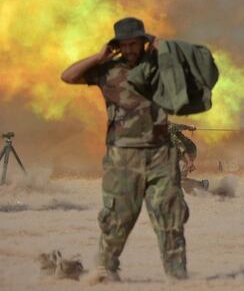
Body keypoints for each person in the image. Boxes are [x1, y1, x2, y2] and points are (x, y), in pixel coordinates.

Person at [61, 17, 188, 282]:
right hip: (122, 156)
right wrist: (98, 57)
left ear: (144, 42)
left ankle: (178, 278)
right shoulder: (107, 70)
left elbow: (186, 73)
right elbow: (68, 76)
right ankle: (105, 273)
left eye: (135, 43)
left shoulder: (159, 67)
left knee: (170, 216)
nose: (130, 49)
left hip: (160, 154)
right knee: (117, 218)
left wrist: (163, 47)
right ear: (117, 46)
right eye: (125, 44)